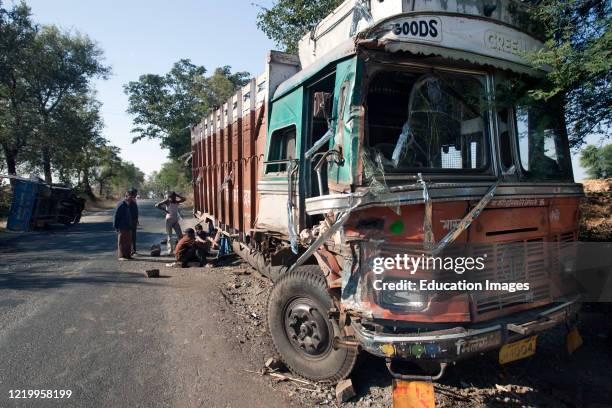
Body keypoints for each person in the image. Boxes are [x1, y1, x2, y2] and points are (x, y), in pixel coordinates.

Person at [113, 191, 134, 261]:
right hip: (122, 227)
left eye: (132, 197)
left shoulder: (128, 205)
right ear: (126, 196)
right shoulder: (121, 205)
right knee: (122, 242)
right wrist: (115, 226)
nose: (131, 198)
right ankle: (121, 256)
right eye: (130, 197)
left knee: (128, 242)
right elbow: (116, 216)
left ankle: (128, 255)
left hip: (128, 227)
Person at [127, 188, 139, 255]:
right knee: (130, 236)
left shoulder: (134, 200)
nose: (136, 194)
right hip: (130, 220)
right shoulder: (129, 200)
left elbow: (135, 211)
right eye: (135, 193)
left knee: (133, 236)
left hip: (134, 220)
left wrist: (137, 219)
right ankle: (131, 250)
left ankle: (133, 250)